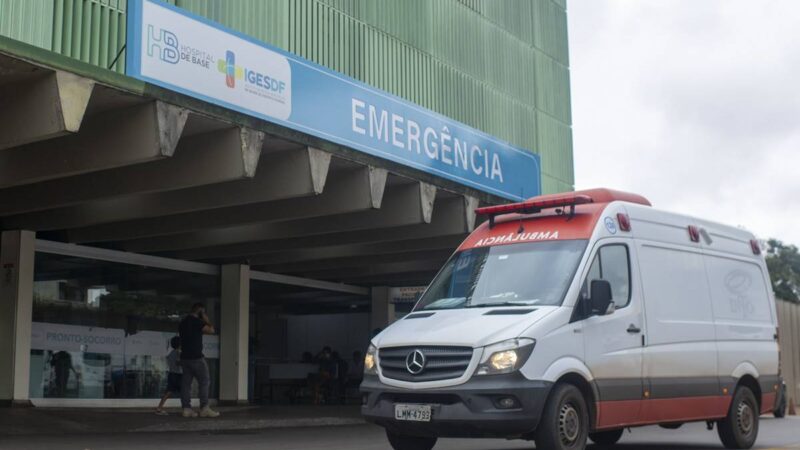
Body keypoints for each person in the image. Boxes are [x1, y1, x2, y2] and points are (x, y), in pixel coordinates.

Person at [179, 303, 219, 418]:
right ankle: (204, 407)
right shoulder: (197, 322)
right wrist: (207, 320)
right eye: (204, 312)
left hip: (185, 357)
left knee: (186, 384)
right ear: (200, 311)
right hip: (196, 357)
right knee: (204, 381)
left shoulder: (183, 322)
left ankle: (186, 408)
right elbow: (211, 330)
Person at [155, 336, 182, 415]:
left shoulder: (170, 353)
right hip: (179, 375)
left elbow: (170, 362)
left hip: (171, 374)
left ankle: (159, 408)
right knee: (184, 392)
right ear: (180, 344)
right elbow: (178, 362)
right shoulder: (179, 353)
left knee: (168, 391)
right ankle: (186, 408)